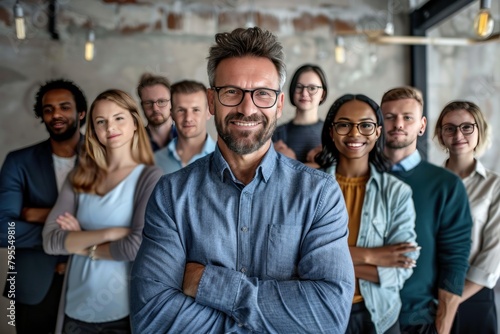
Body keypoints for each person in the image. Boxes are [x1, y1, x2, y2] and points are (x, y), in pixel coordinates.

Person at [130, 27, 355, 333]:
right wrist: (273, 319)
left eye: (262, 93)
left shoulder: (319, 195)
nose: (247, 108)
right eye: (231, 92)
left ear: (278, 104)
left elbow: (327, 317)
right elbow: (153, 318)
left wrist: (205, 282)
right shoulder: (172, 194)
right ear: (212, 101)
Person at [42, 89, 162, 333]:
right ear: (94, 130)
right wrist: (113, 232)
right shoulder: (80, 176)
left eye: (119, 118)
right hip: (75, 308)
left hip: (122, 312)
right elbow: (51, 241)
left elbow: (136, 246)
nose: (110, 127)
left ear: (135, 123)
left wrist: (80, 241)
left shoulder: (149, 178)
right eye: (101, 121)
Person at [315, 94, 418, 334]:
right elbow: (296, 259)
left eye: (365, 125)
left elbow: (402, 267)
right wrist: (372, 255)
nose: (354, 133)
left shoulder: (397, 192)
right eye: (344, 125)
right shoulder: (309, 186)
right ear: (332, 132)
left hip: (378, 315)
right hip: (320, 308)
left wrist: (326, 260)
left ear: (378, 132)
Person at [380, 87, 472, 334]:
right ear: (379, 123)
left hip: (419, 320)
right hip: (360, 315)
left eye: (407, 117)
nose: (398, 124)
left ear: (421, 126)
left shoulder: (446, 185)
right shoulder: (362, 179)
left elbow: (455, 261)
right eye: (389, 117)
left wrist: (441, 328)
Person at [0, 79, 87, 334]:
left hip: (91, 281)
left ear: (81, 113)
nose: (56, 114)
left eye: (64, 107)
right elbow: (4, 231)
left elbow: (115, 223)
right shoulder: (18, 162)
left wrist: (38, 215)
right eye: (48, 109)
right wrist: (66, 234)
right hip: (32, 285)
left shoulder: (105, 159)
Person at [433, 101, 500, 334]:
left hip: (475, 297)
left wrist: (450, 301)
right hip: (428, 298)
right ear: (440, 135)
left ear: (479, 130)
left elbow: (493, 255)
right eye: (449, 128)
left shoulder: (495, 186)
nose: (458, 134)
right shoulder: (428, 183)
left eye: (466, 127)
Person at [155, 80, 216, 174]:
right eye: (181, 110)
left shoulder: (225, 159)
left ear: (208, 112)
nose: (188, 118)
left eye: (195, 110)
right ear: (171, 114)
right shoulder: (154, 161)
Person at [273, 64, 328, 163]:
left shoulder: (331, 134)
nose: (304, 93)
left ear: (322, 95)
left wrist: (290, 164)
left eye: (312, 88)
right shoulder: (276, 134)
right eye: (299, 87)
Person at [137, 72, 176, 151]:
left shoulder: (187, 139)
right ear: (142, 106)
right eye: (148, 103)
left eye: (161, 101)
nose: (155, 108)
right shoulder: (133, 142)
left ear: (171, 103)